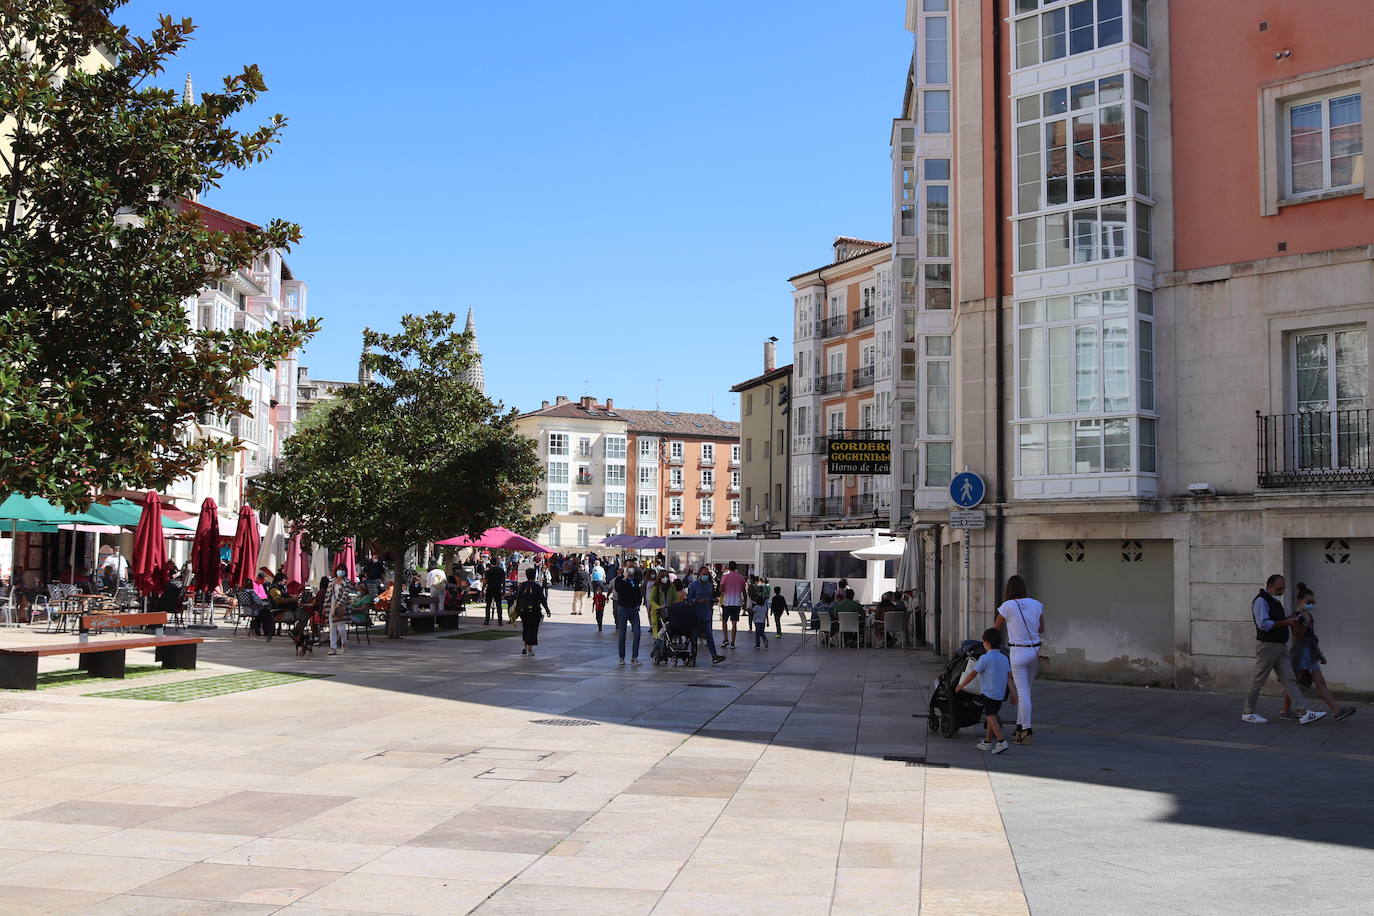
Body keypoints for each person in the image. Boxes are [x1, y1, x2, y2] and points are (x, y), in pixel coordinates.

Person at [1241, 574, 1327, 725]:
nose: (1282, 590)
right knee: (1258, 679)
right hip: (1267, 646)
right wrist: (1286, 622)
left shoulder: (1275, 600)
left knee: (1290, 678)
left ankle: (1304, 712)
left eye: (1283, 587)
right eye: (1279, 588)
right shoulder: (1261, 601)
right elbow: (1263, 624)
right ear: (1270, 587)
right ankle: (1248, 712)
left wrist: (1291, 621)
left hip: (1280, 646)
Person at [1279, 583, 1356, 722]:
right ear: (1300, 601)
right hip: (1301, 653)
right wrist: (1305, 622)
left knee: (1320, 682)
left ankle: (1337, 711)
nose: (1311, 605)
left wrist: (1320, 654)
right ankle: (1285, 710)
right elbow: (1298, 636)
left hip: (1311, 652)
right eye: (1308, 602)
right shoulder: (1296, 616)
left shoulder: (1308, 616)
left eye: (1313, 602)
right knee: (1294, 683)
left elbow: (1312, 637)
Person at [994, 575, 1045, 745]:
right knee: (1026, 691)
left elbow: (996, 629)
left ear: (1009, 589)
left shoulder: (1007, 606)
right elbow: (1042, 628)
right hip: (1035, 651)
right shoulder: (1037, 604)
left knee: (1023, 692)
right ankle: (1019, 727)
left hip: (1018, 652)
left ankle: (1026, 730)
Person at [957, 627, 1017, 755]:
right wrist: (1013, 694)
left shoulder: (985, 658)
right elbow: (1009, 678)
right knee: (992, 716)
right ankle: (987, 742)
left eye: (983, 642)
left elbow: (972, 674)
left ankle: (1001, 741)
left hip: (988, 693)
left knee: (990, 717)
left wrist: (961, 685)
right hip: (1000, 694)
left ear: (987, 643)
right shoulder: (1004, 658)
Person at [687, 565, 726, 664]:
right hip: (696, 614)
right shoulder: (693, 586)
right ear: (699, 574)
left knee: (709, 635)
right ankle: (693, 656)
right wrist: (697, 600)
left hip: (707, 613)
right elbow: (689, 600)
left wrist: (714, 600)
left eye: (707, 574)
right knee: (694, 636)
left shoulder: (709, 585)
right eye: (704, 574)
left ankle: (714, 656)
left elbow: (710, 597)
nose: (706, 576)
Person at [610, 561, 644, 665]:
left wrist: (638, 604)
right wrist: (624, 578)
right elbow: (617, 589)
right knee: (622, 634)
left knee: (637, 632)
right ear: (625, 568)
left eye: (632, 567)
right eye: (629, 567)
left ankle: (634, 657)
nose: (631, 569)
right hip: (623, 608)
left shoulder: (636, 579)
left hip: (633, 609)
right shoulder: (620, 579)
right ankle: (621, 657)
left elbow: (638, 593)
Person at [512, 568, 551, 655]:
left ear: (526, 575)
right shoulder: (537, 587)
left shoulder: (522, 585)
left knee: (525, 627)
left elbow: (518, 597)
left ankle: (524, 646)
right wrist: (547, 610)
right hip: (534, 610)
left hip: (523, 609)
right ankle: (530, 648)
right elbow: (542, 599)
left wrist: (517, 609)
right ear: (535, 575)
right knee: (533, 629)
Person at [718, 561, 746, 649]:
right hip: (737, 603)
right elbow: (744, 591)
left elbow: (721, 589)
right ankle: (733, 642)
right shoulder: (741, 577)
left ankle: (725, 639)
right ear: (736, 567)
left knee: (724, 621)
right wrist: (744, 603)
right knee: (734, 623)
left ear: (729, 567)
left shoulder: (725, 576)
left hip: (727, 602)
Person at [324, 565, 351, 655]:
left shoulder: (347, 582)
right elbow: (328, 594)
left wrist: (340, 604)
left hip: (341, 606)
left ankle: (344, 642)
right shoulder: (331, 581)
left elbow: (345, 594)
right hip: (331, 604)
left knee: (341, 628)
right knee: (332, 628)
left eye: (342, 570)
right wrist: (325, 606)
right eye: (339, 570)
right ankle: (333, 648)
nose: (340, 572)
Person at [648, 570, 683, 637]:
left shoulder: (671, 586)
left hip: (669, 614)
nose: (665, 578)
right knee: (658, 635)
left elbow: (675, 598)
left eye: (666, 576)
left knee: (668, 634)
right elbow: (651, 600)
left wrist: (676, 606)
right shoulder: (656, 588)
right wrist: (658, 607)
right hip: (658, 614)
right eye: (663, 576)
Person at [483, 560, 506, 625]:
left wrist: (483, 589)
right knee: (499, 605)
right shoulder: (501, 570)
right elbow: (503, 581)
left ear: (490, 563)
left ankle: (487, 620)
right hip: (498, 588)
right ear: (497, 563)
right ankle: (500, 621)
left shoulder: (488, 571)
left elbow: (485, 581)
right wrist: (503, 590)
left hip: (490, 588)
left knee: (488, 605)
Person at [749, 585, 770, 649]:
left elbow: (752, 612)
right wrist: (768, 622)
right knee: (761, 632)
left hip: (757, 622)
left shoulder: (756, 607)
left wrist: (747, 610)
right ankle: (765, 639)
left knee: (757, 633)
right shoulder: (764, 607)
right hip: (763, 621)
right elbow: (766, 614)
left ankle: (758, 644)